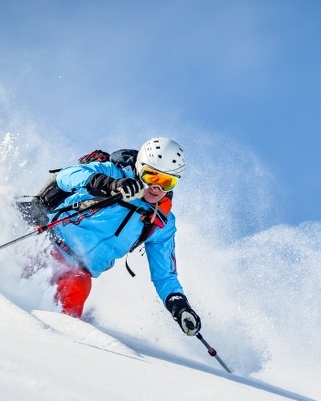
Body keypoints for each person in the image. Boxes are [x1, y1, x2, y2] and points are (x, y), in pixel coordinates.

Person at [19, 137, 201, 336]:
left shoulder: (161, 222)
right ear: (140, 168)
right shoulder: (113, 172)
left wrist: (180, 306)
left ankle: (54, 347)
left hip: (77, 271)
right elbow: (66, 176)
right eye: (152, 177)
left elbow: (164, 275)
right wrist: (107, 183)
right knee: (20, 271)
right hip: (47, 241)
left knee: (75, 294)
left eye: (167, 182)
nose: (157, 188)